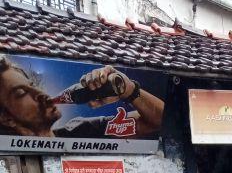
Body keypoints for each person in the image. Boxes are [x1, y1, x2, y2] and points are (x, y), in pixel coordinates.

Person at [0, 57, 164, 138]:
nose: (41, 95)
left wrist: (129, 90)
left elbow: (161, 121)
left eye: (32, 85)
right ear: (6, 118)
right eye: (21, 93)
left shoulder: (81, 130)